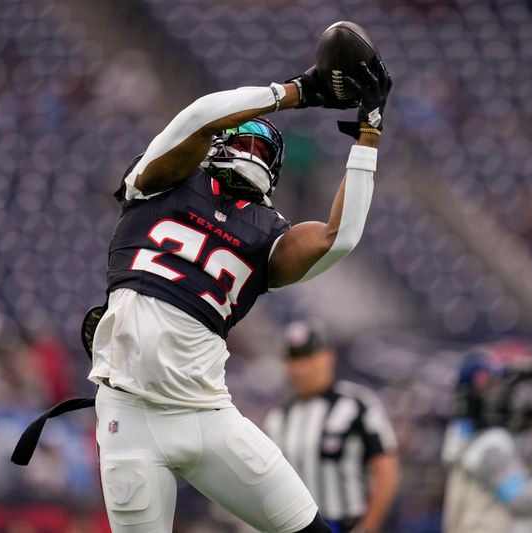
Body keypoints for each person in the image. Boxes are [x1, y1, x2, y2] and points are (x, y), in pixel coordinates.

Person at [87, 53, 393, 533]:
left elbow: (342, 236)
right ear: (215, 147)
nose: (253, 151)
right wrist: (295, 92)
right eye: (244, 138)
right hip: (129, 415)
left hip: (208, 415)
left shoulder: (267, 235)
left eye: (264, 148)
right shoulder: (160, 180)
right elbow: (198, 118)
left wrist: (369, 132)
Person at [264, 321, 400, 533]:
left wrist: (367, 528)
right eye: (294, 359)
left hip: (344, 524)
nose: (300, 368)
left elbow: (386, 471)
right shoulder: (278, 418)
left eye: (308, 357)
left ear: (328, 356)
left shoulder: (357, 404)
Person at [441, 353, 532, 533]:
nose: (508, 395)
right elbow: (523, 501)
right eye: (495, 387)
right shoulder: (491, 445)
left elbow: (522, 485)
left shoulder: (463, 436)